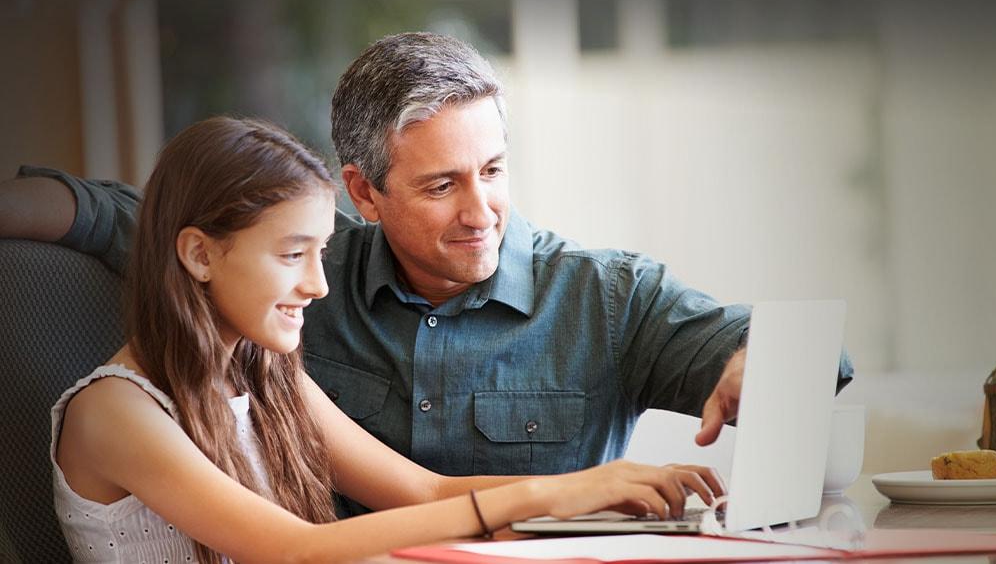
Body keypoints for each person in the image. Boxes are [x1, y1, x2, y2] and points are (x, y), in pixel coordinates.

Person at [2, 32, 852, 495]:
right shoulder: (295, 281)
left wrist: (759, 357)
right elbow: (114, 213)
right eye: (442, 185)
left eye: (492, 171)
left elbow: (783, 350)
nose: (479, 211)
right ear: (363, 193)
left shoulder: (605, 294)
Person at [50, 116, 724, 563]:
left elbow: (427, 492)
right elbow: (294, 550)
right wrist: (542, 497)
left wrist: (596, 491)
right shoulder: (117, 412)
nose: (318, 285)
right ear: (199, 254)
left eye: (322, 253)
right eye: (293, 255)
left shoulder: (266, 378)